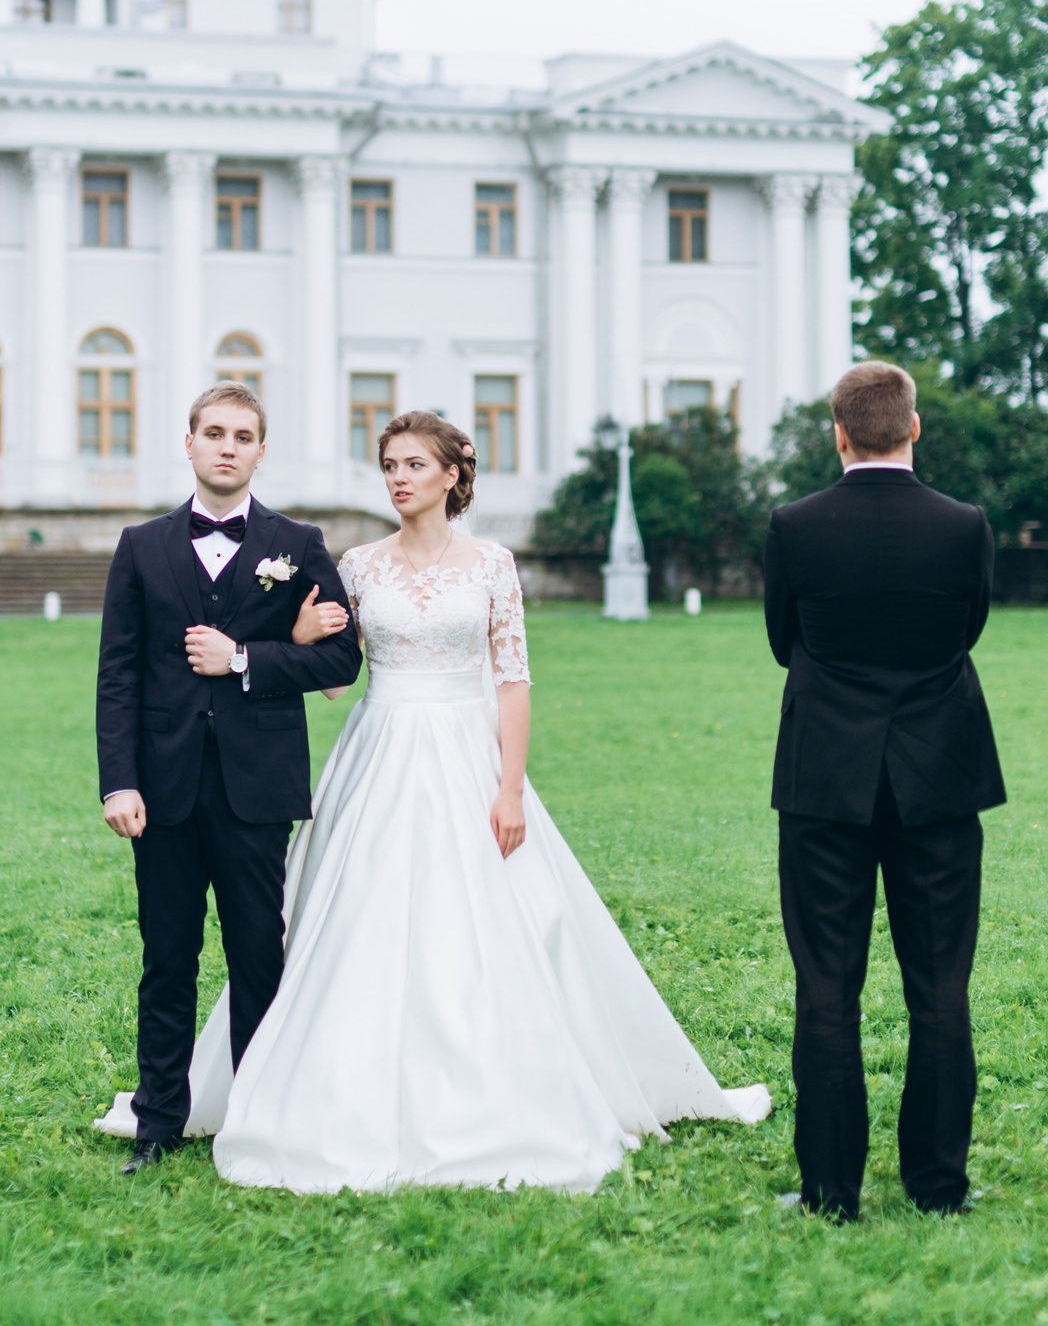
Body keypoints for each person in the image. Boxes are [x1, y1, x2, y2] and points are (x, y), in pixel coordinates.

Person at [102, 409, 768, 1193]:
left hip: (465, 753)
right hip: (379, 753)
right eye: (389, 465)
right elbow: (339, 675)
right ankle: (254, 1100)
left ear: (453, 475)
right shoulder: (356, 564)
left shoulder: (492, 565)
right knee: (350, 922)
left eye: (414, 464)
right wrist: (299, 637)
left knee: (480, 922)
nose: (398, 478)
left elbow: (513, 679)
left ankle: (483, 1090)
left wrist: (509, 785)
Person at [90, 382, 364, 1174]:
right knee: (167, 958)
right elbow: (117, 674)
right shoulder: (141, 546)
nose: (227, 447)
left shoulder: (298, 544)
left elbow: (342, 660)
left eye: (243, 436)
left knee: (257, 956)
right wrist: (119, 781)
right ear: (190, 443)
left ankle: (261, 1117)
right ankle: (157, 1124)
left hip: (257, 787)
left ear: (260, 451)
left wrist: (246, 658)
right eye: (214, 433)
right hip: (163, 789)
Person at [762, 360, 1000, 1221]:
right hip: (939, 776)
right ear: (914, 427)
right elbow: (969, 627)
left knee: (827, 985)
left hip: (826, 775)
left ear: (838, 433)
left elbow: (783, 640)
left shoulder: (794, 525)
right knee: (940, 985)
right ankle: (938, 1185)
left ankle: (831, 1191)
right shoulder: (964, 525)